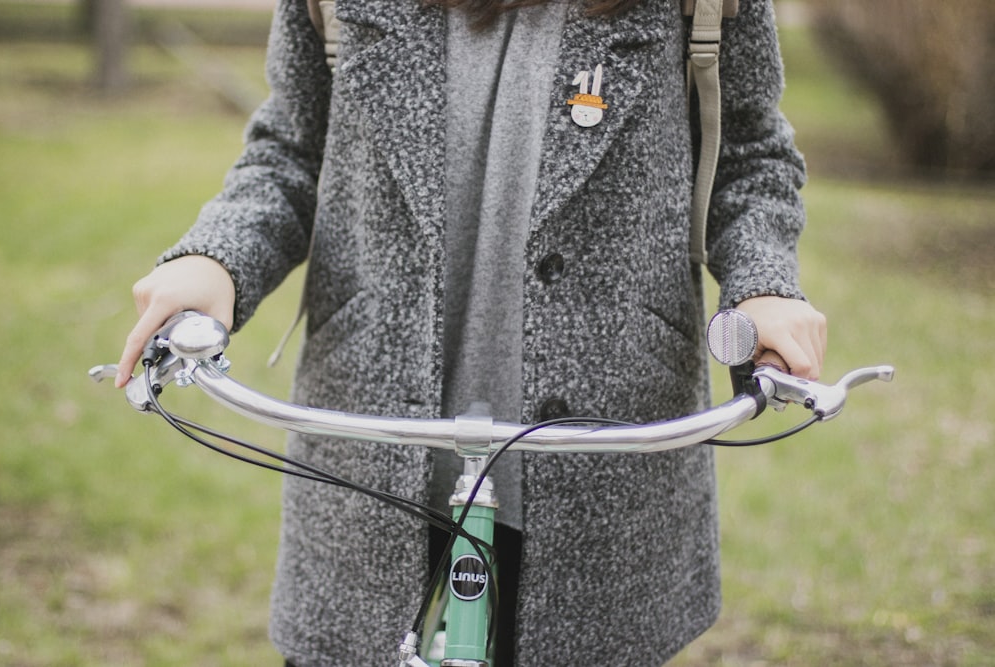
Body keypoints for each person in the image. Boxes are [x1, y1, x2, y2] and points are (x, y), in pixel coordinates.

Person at [115, 0, 827, 664]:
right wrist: (217, 258)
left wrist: (764, 285)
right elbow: (290, 151)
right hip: (370, 458)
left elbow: (749, 155)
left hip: (608, 471)